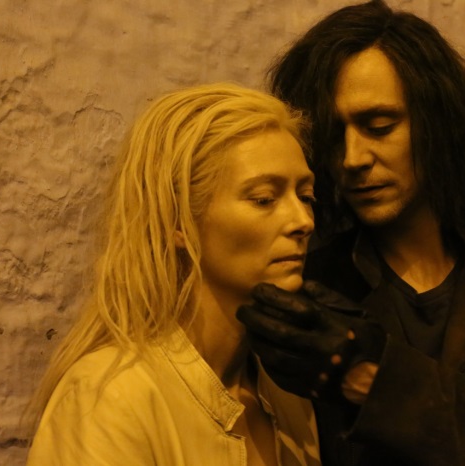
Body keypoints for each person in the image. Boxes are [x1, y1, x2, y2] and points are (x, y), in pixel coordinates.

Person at [236, 1, 465, 464]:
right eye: (332, 135)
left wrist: (373, 381)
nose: (352, 158)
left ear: (439, 120)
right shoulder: (312, 286)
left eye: (379, 126)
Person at [24, 82, 321, 465]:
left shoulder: (288, 393)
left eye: (306, 196)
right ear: (179, 219)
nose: (302, 221)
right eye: (264, 198)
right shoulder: (108, 400)